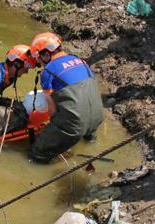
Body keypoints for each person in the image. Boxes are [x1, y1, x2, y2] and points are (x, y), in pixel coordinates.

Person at [27, 32, 104, 163]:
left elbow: (52, 110)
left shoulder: (48, 71)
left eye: (38, 57)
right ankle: (89, 141)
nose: (39, 62)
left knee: (36, 153)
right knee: (84, 126)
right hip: (98, 119)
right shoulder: (81, 61)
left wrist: (51, 132)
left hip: (75, 126)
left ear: (46, 54)